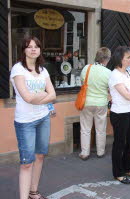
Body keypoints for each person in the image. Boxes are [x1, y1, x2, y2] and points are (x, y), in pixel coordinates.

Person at [10, 36, 56, 199]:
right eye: (29, 46)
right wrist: (44, 94)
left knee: (40, 156)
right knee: (27, 162)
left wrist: (39, 96)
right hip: (25, 122)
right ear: (24, 50)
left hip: (43, 117)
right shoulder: (18, 69)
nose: (33, 49)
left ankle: (33, 191)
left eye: (36, 46)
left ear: (40, 50)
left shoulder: (43, 70)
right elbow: (27, 98)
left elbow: (53, 95)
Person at [109, 46, 130, 184]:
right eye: (128, 57)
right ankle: (118, 172)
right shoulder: (115, 74)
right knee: (120, 144)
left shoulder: (128, 73)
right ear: (119, 59)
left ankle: (127, 168)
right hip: (119, 113)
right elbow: (129, 95)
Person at [78, 47, 112, 160]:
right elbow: (109, 89)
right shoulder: (108, 72)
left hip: (87, 102)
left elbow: (83, 82)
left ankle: (85, 152)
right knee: (101, 129)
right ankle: (100, 152)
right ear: (107, 59)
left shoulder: (87, 68)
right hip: (101, 103)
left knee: (85, 128)